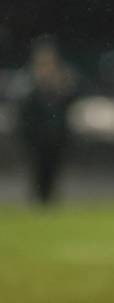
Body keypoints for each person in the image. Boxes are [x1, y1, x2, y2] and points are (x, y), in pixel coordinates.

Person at [16, 35, 79, 204]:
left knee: (53, 168)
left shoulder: (61, 79)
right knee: (37, 168)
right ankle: (38, 198)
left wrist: (62, 86)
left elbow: (72, 100)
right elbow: (24, 109)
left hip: (56, 136)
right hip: (35, 136)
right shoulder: (28, 80)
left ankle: (49, 198)